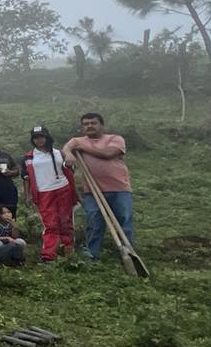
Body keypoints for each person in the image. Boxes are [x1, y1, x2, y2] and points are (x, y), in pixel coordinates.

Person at [63, 112, 134, 260]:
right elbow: (66, 149)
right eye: (86, 124)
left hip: (119, 188)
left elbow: (107, 154)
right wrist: (69, 154)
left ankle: (127, 252)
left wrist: (82, 147)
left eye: (93, 123)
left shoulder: (115, 139)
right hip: (92, 191)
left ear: (101, 125)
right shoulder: (77, 140)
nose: (89, 126)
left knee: (123, 220)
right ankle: (92, 254)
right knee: (94, 221)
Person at [23, 126, 76, 261]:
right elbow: (26, 177)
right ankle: (48, 254)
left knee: (66, 220)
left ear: (47, 137)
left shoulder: (58, 152)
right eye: (36, 137)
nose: (39, 140)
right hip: (44, 192)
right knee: (50, 223)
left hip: (63, 189)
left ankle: (67, 247)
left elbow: (69, 168)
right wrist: (27, 195)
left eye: (41, 136)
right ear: (32, 140)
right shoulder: (29, 157)